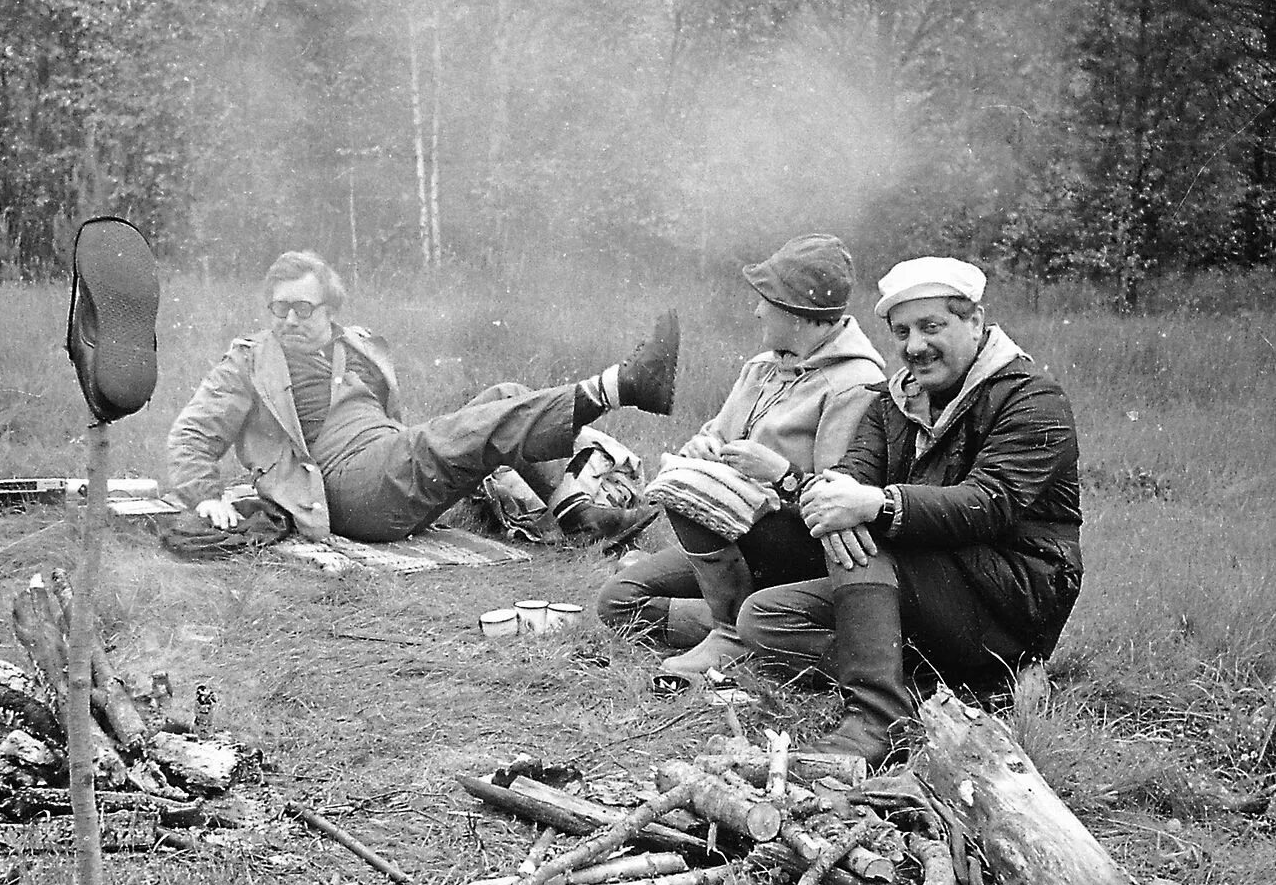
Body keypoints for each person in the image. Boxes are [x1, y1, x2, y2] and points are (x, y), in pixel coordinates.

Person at [739, 256, 1083, 767]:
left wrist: (872, 504)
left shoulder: (1031, 398)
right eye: (901, 332)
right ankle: (945, 688)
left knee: (868, 534)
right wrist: (838, 497)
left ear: (975, 321)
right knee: (764, 618)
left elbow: (988, 504)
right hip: (926, 580)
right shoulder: (891, 402)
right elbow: (851, 473)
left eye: (931, 326)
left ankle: (879, 719)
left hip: (1012, 594)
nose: (915, 346)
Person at [164, 251, 677, 543]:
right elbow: (192, 433)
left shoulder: (358, 346)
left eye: (303, 308)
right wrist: (206, 497)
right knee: (439, 439)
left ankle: (578, 519)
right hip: (339, 488)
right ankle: (621, 386)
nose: (290, 321)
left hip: (389, 461)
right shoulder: (249, 361)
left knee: (505, 395)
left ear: (330, 308)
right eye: (279, 310)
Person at [595, 234, 886, 674]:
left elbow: (839, 500)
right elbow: (716, 434)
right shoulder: (762, 367)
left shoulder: (854, 384)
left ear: (796, 311)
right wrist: (702, 449)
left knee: (686, 489)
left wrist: (780, 472)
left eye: (765, 301)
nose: (756, 311)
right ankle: (747, 627)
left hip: (794, 547)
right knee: (618, 601)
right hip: (732, 540)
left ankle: (732, 631)